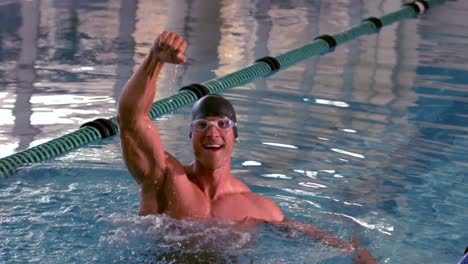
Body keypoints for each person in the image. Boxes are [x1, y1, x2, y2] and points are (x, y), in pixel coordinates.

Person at [117, 31, 378, 264]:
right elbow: (131, 119)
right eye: (201, 125)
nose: (212, 132)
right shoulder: (165, 177)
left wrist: (351, 250)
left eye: (222, 124)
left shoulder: (257, 208)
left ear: (234, 135)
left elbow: (302, 230)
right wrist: (154, 60)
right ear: (191, 135)